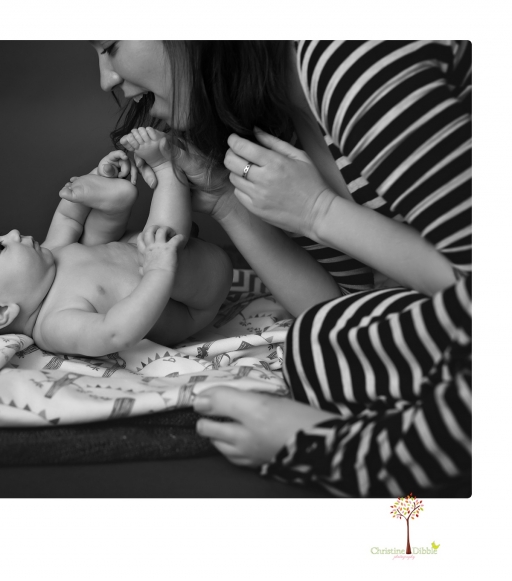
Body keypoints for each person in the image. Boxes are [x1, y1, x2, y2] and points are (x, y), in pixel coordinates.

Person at [91, 40, 471, 496]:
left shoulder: (352, 61)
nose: (107, 79)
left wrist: (318, 211)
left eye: (110, 45)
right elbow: (341, 311)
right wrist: (229, 203)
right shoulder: (274, 119)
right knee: (319, 343)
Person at [0, 131, 232, 357]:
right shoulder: (55, 324)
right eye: (1, 247)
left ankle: (113, 199)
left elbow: (69, 219)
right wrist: (158, 268)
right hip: (187, 296)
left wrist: (93, 179)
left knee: (97, 238)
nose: (13, 233)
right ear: (0, 312)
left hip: (133, 251)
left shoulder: (49, 256)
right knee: (159, 240)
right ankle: (166, 170)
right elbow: (115, 332)